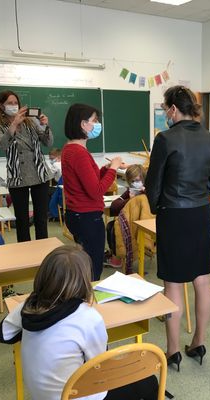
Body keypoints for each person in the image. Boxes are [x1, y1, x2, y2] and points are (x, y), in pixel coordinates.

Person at [0, 245, 158, 400]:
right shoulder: (88, 317)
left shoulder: (27, 306)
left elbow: (3, 335)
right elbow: (101, 367)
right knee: (148, 381)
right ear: (84, 281)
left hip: (40, 396)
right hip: (76, 395)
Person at [145, 85, 210, 370]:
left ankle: (173, 350)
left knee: (173, 283)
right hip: (201, 213)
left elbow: (154, 184)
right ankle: (199, 341)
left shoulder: (165, 138)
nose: (166, 113)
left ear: (173, 109)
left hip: (173, 215)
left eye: (166, 109)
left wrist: (157, 207)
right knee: (202, 279)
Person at [61, 103, 126, 280]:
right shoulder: (79, 153)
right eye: (94, 121)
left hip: (77, 215)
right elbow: (96, 191)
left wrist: (105, 169)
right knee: (92, 269)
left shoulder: (70, 149)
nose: (97, 124)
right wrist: (113, 169)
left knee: (85, 265)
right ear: (83, 124)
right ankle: (88, 303)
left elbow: (89, 179)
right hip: (87, 217)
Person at [0, 90, 53, 242]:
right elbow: (2, 144)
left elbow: (47, 142)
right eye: (9, 103)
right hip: (17, 176)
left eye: (16, 103)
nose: (14, 106)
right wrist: (14, 123)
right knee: (22, 221)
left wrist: (46, 126)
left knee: (41, 219)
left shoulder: (30, 121)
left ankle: (42, 253)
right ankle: (26, 255)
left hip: (40, 174)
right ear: (1, 106)